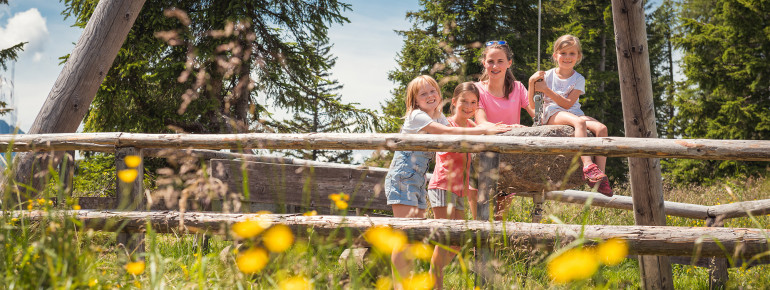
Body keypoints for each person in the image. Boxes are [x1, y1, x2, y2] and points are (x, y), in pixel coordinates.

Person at [384, 75, 511, 285]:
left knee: (413, 237)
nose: (429, 96)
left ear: (439, 93)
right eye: (423, 94)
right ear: (415, 100)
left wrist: (499, 128)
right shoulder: (417, 116)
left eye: (432, 91)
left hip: (416, 181)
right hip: (402, 178)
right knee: (405, 237)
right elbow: (446, 132)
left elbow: (454, 136)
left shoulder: (438, 117)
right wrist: (484, 129)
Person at [527, 34, 612, 196]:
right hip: (552, 113)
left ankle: (600, 177)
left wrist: (546, 90)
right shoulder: (547, 76)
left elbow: (568, 104)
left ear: (578, 56)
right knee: (579, 124)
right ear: (555, 56)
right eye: (563, 53)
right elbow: (532, 105)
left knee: (601, 128)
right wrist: (532, 83)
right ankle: (588, 165)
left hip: (572, 112)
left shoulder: (579, 79)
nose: (567, 57)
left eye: (572, 53)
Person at [474, 40, 536, 220]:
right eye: (491, 61)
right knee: (480, 219)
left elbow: (537, 116)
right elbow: (482, 123)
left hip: (508, 161)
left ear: (509, 63)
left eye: (500, 61)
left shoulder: (518, 88)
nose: (495, 66)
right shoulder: (477, 89)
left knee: (499, 219)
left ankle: (496, 250)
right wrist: (513, 129)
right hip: (481, 160)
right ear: (484, 62)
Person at [426, 82, 481, 289]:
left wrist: (512, 127)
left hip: (459, 191)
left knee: (457, 243)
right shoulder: (446, 124)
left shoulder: (472, 126)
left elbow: (489, 129)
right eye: (464, 101)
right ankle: (434, 284)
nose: (468, 106)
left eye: (473, 102)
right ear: (454, 102)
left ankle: (432, 278)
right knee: (446, 240)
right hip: (442, 186)